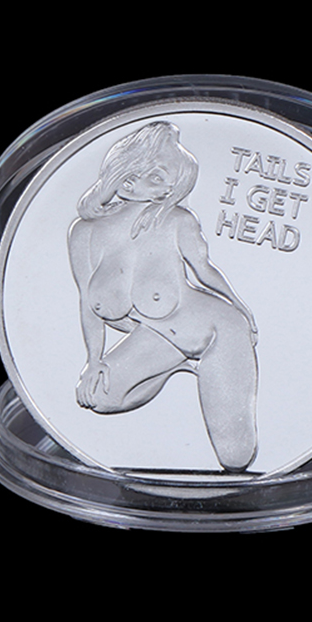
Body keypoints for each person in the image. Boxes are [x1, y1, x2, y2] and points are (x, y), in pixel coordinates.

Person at [67, 121, 258, 471]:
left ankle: (208, 364)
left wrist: (241, 308)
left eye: (166, 179)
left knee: (236, 456)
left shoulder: (176, 221)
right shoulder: (84, 233)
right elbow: (87, 304)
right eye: (152, 175)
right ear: (123, 172)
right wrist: (93, 360)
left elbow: (205, 271)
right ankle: (181, 365)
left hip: (215, 327)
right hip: (159, 336)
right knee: (99, 397)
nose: (166, 187)